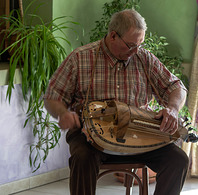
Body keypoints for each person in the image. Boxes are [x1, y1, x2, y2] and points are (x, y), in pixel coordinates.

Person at [44, 9, 188, 195]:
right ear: (113, 36)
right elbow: (53, 96)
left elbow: (176, 86)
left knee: (178, 160)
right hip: (90, 134)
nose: (136, 51)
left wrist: (173, 109)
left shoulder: (144, 58)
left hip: (137, 133)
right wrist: (63, 113)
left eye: (140, 44)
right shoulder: (80, 58)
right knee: (82, 158)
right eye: (131, 45)